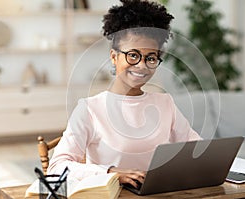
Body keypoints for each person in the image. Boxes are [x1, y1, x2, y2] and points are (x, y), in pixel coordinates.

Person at [48, 0, 201, 189]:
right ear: (114, 56)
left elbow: (197, 150)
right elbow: (56, 167)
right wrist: (110, 172)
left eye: (150, 58)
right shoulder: (90, 108)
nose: (142, 66)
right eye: (133, 55)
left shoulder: (165, 103)